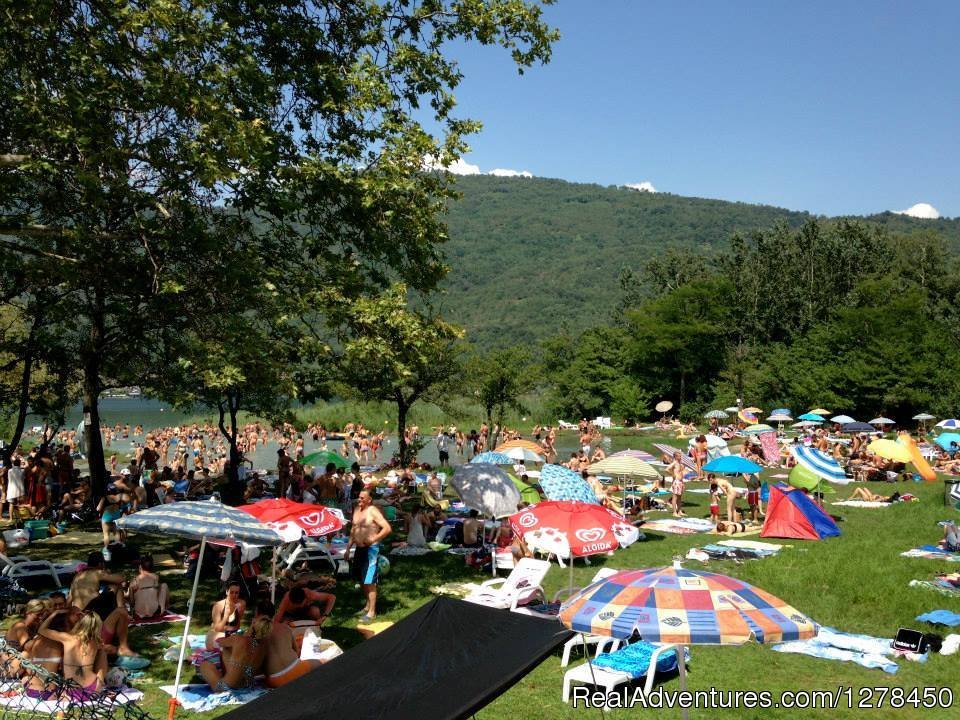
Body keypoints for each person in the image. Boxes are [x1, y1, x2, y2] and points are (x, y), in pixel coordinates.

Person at [68, 553, 137, 657]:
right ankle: (123, 617)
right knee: (116, 585)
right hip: (93, 609)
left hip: (79, 611)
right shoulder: (97, 572)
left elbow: (69, 598)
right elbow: (121, 579)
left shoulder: (77, 576)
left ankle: (121, 615)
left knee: (110, 590)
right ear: (100, 564)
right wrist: (107, 573)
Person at [37, 609, 106, 700]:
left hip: (71, 689)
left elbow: (41, 630)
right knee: (102, 653)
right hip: (92, 686)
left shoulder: (67, 638)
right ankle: (100, 681)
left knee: (60, 710)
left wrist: (54, 613)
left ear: (80, 623)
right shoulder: (97, 643)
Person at [347, 489, 392, 622]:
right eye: (358, 497)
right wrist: (348, 548)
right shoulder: (356, 510)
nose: (359, 500)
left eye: (362, 498)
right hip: (359, 549)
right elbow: (353, 529)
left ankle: (372, 612)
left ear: (369, 500)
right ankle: (367, 606)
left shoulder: (373, 511)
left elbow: (387, 528)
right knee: (361, 579)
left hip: (371, 549)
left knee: (370, 581)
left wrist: (373, 539)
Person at [258, 601, 324, 688]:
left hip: (275, 680)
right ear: (274, 614)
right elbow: (296, 652)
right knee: (321, 662)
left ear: (257, 614)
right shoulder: (285, 627)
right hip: (296, 670)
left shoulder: (255, 633)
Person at [199, 614, 270, 692]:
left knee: (204, 665)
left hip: (226, 687)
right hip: (247, 684)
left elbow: (219, 642)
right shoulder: (264, 645)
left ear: (253, 622)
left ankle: (219, 687)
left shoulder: (238, 640)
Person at [206, 581, 246, 650]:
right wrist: (225, 616)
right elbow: (217, 629)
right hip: (217, 634)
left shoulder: (241, 603)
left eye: (236, 593)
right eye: (231, 592)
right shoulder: (218, 606)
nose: (234, 595)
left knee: (248, 640)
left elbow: (237, 626)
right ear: (227, 592)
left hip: (232, 635)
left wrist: (238, 614)